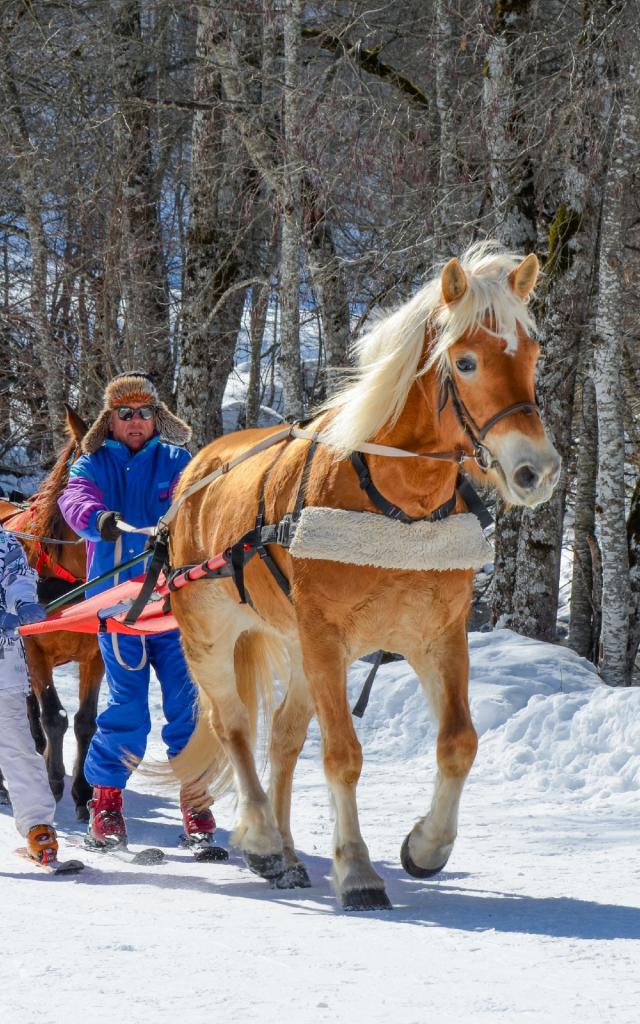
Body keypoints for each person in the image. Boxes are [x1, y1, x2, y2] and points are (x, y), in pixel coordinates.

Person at [58, 371, 223, 855]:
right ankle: (106, 805)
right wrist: (97, 519)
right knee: (125, 708)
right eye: (125, 414)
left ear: (158, 418)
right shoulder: (92, 463)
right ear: (110, 420)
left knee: (186, 706)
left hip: (176, 606)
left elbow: (202, 504)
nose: (135, 421)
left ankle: (196, 803)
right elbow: (74, 500)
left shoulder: (178, 462)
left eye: (144, 413)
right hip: (119, 608)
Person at [0, 523, 57, 864]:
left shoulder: (4, 542)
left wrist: (23, 602)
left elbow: (19, 574)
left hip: (3, 666)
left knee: (18, 747)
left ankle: (39, 828)